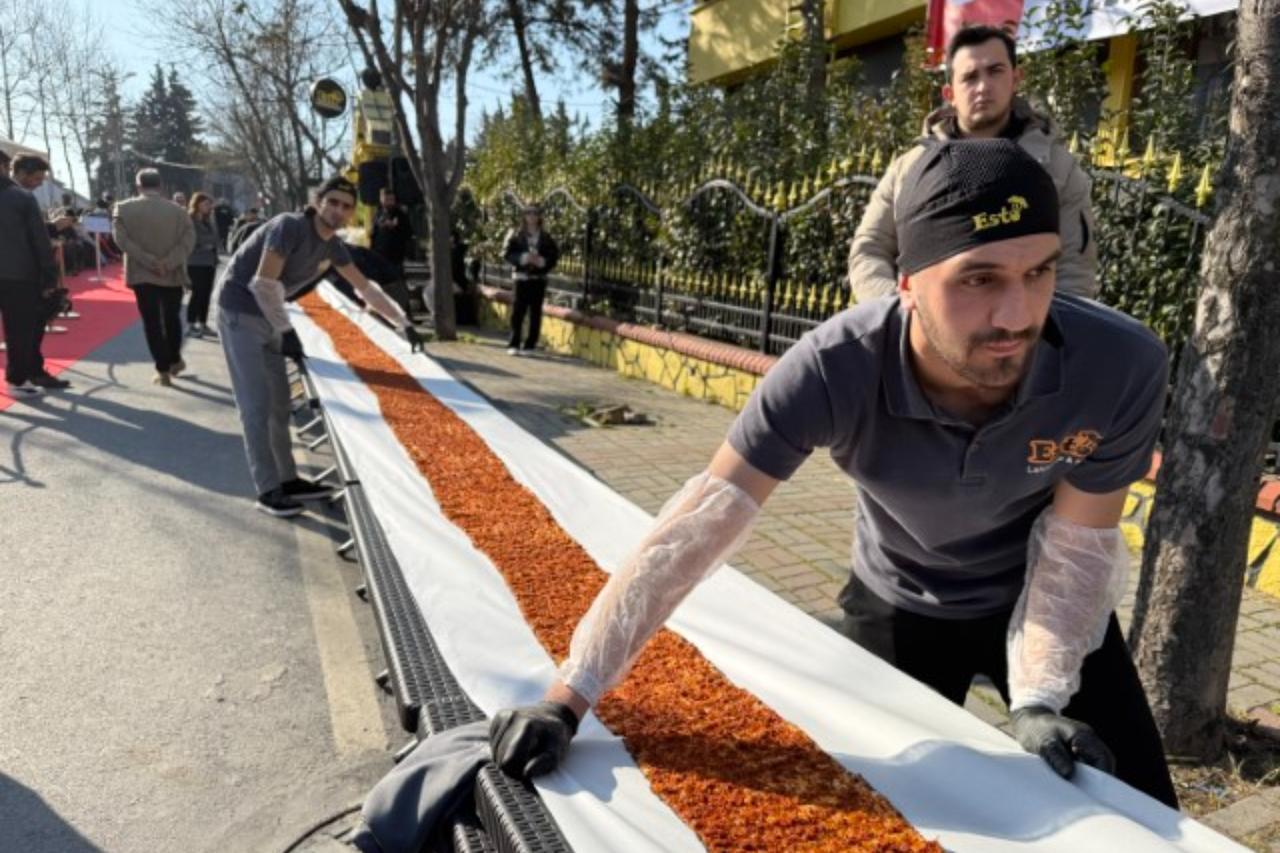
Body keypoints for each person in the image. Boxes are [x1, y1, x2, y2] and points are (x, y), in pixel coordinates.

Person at [488, 140, 1178, 809]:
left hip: (1041, 603)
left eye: (1039, 272)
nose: (1017, 315)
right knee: (872, 812)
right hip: (899, 604)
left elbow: (1074, 550)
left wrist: (1038, 698)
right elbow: (692, 533)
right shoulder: (832, 369)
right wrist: (568, 698)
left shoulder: (1118, 365)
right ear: (906, 279)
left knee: (1137, 803)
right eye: (979, 278)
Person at [216, 175, 425, 518]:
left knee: (280, 404)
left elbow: (366, 289)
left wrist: (404, 323)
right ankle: (268, 490)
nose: (338, 211)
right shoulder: (289, 227)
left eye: (346, 206)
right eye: (333, 202)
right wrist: (286, 330)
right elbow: (263, 284)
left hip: (271, 319)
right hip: (241, 313)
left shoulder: (333, 246)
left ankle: (288, 479)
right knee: (255, 406)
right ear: (318, 201)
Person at [848, 26, 1098, 302]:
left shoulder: (1057, 170)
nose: (983, 87)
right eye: (969, 77)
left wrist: (1034, 334)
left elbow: (1074, 272)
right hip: (923, 338)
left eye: (995, 71)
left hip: (1017, 334)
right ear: (949, 93)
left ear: (1016, 79)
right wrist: (900, 315)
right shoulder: (910, 168)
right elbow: (869, 249)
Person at [112, 168, 196, 386]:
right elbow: (188, 241)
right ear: (160, 186)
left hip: (142, 274)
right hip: (172, 272)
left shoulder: (123, 209)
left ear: (138, 186)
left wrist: (149, 261)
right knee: (172, 318)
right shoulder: (179, 211)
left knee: (152, 323)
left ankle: (163, 370)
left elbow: (121, 241)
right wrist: (168, 262)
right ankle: (175, 359)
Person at [0, 154, 63, 395]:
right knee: (19, 330)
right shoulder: (21, 198)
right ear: (7, 168)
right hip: (19, 275)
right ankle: (17, 381)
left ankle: (24, 376)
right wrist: (49, 276)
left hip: (16, 272)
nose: (38, 183)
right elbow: (40, 242)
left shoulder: (20, 196)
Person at [502, 205, 560, 355]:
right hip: (521, 278)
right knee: (518, 311)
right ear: (523, 215)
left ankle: (530, 344)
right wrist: (522, 258)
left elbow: (553, 256)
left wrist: (542, 262)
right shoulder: (515, 235)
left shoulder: (546, 237)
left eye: (535, 213)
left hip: (538, 279)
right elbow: (507, 253)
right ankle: (514, 343)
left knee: (535, 312)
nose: (532, 216)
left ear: (540, 216)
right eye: (528, 213)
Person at [185, 192, 220, 338]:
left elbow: (216, 238)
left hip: (209, 261)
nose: (209, 207)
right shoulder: (190, 220)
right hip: (195, 262)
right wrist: (207, 242)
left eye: (210, 204)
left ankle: (203, 323)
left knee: (206, 294)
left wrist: (208, 243)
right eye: (206, 204)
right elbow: (193, 240)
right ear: (197, 204)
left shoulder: (208, 220)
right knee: (197, 293)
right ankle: (191, 324)